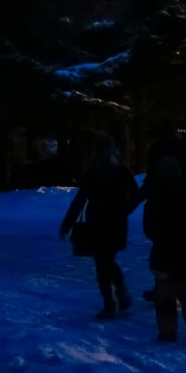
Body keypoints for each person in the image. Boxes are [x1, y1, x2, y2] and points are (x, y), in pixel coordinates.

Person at [59, 134, 139, 319]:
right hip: (117, 222)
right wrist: (124, 210)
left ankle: (110, 302)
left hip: (97, 222)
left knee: (102, 262)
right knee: (108, 259)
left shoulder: (93, 172)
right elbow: (135, 194)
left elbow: (80, 200)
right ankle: (119, 293)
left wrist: (68, 224)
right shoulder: (121, 170)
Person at [140, 154, 186, 342]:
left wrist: (158, 235)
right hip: (185, 250)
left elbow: (148, 227)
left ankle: (167, 330)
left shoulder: (155, 197)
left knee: (165, 295)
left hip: (162, 250)